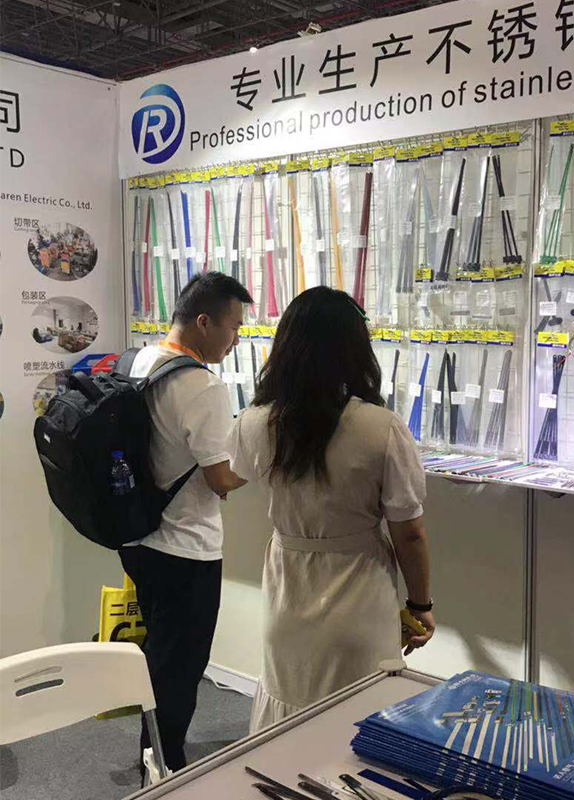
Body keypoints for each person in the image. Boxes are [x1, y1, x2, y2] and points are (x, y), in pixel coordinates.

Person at [229, 286, 435, 731]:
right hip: (359, 589)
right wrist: (420, 604)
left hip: (288, 588)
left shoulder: (254, 421)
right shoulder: (380, 427)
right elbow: (409, 531)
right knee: (359, 716)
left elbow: (237, 474)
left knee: (288, 702)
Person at [120, 272, 251, 773]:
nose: (235, 340)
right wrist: (260, 459)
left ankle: (150, 753)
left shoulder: (139, 361)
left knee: (159, 653)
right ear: (203, 322)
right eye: (233, 327)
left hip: (138, 537)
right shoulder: (202, 386)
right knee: (180, 666)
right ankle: (165, 766)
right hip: (187, 548)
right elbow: (221, 480)